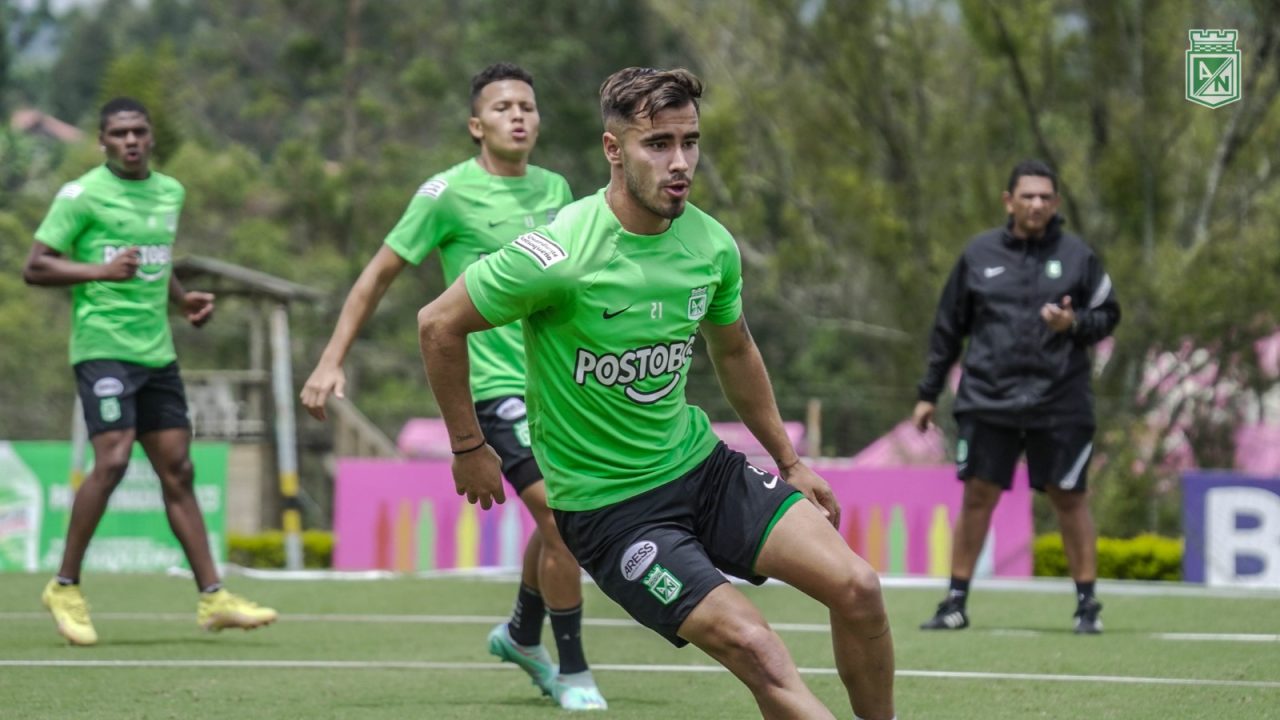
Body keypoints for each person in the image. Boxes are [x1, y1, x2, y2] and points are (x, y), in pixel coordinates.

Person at [417, 67, 897, 720]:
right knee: (759, 649)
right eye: (658, 144)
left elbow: (735, 350)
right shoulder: (559, 251)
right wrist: (468, 446)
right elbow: (438, 324)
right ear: (614, 150)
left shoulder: (710, 244)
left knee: (860, 588)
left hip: (703, 472)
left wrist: (788, 460)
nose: (680, 163)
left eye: (690, 142)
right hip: (614, 513)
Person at [298, 64, 606, 710]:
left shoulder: (559, 189)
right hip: (493, 386)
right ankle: (573, 669)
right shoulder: (445, 194)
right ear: (476, 126)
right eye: (502, 107)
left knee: (566, 513)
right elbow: (377, 277)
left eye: (527, 104)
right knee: (556, 511)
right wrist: (331, 359)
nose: (518, 115)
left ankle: (524, 631)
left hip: (559, 385)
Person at [23, 97, 278, 647]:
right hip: (102, 349)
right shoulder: (81, 195)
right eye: (119, 133)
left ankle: (213, 597)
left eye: (139, 131)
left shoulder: (170, 192)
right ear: (102, 141)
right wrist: (100, 270)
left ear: (152, 136)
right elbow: (36, 265)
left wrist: (183, 302)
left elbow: (156, 264)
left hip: (157, 352)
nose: (131, 140)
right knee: (112, 457)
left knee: (179, 470)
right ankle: (64, 586)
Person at [913, 159, 1120, 635]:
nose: (1037, 204)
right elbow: (948, 329)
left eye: (1046, 196)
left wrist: (1076, 325)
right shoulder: (978, 254)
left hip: (1061, 401)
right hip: (988, 399)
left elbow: (1109, 313)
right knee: (978, 497)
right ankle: (955, 603)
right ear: (1009, 201)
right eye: (1027, 195)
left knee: (1069, 497)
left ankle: (1087, 607)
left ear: (1057, 203)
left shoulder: (1077, 256)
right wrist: (927, 394)